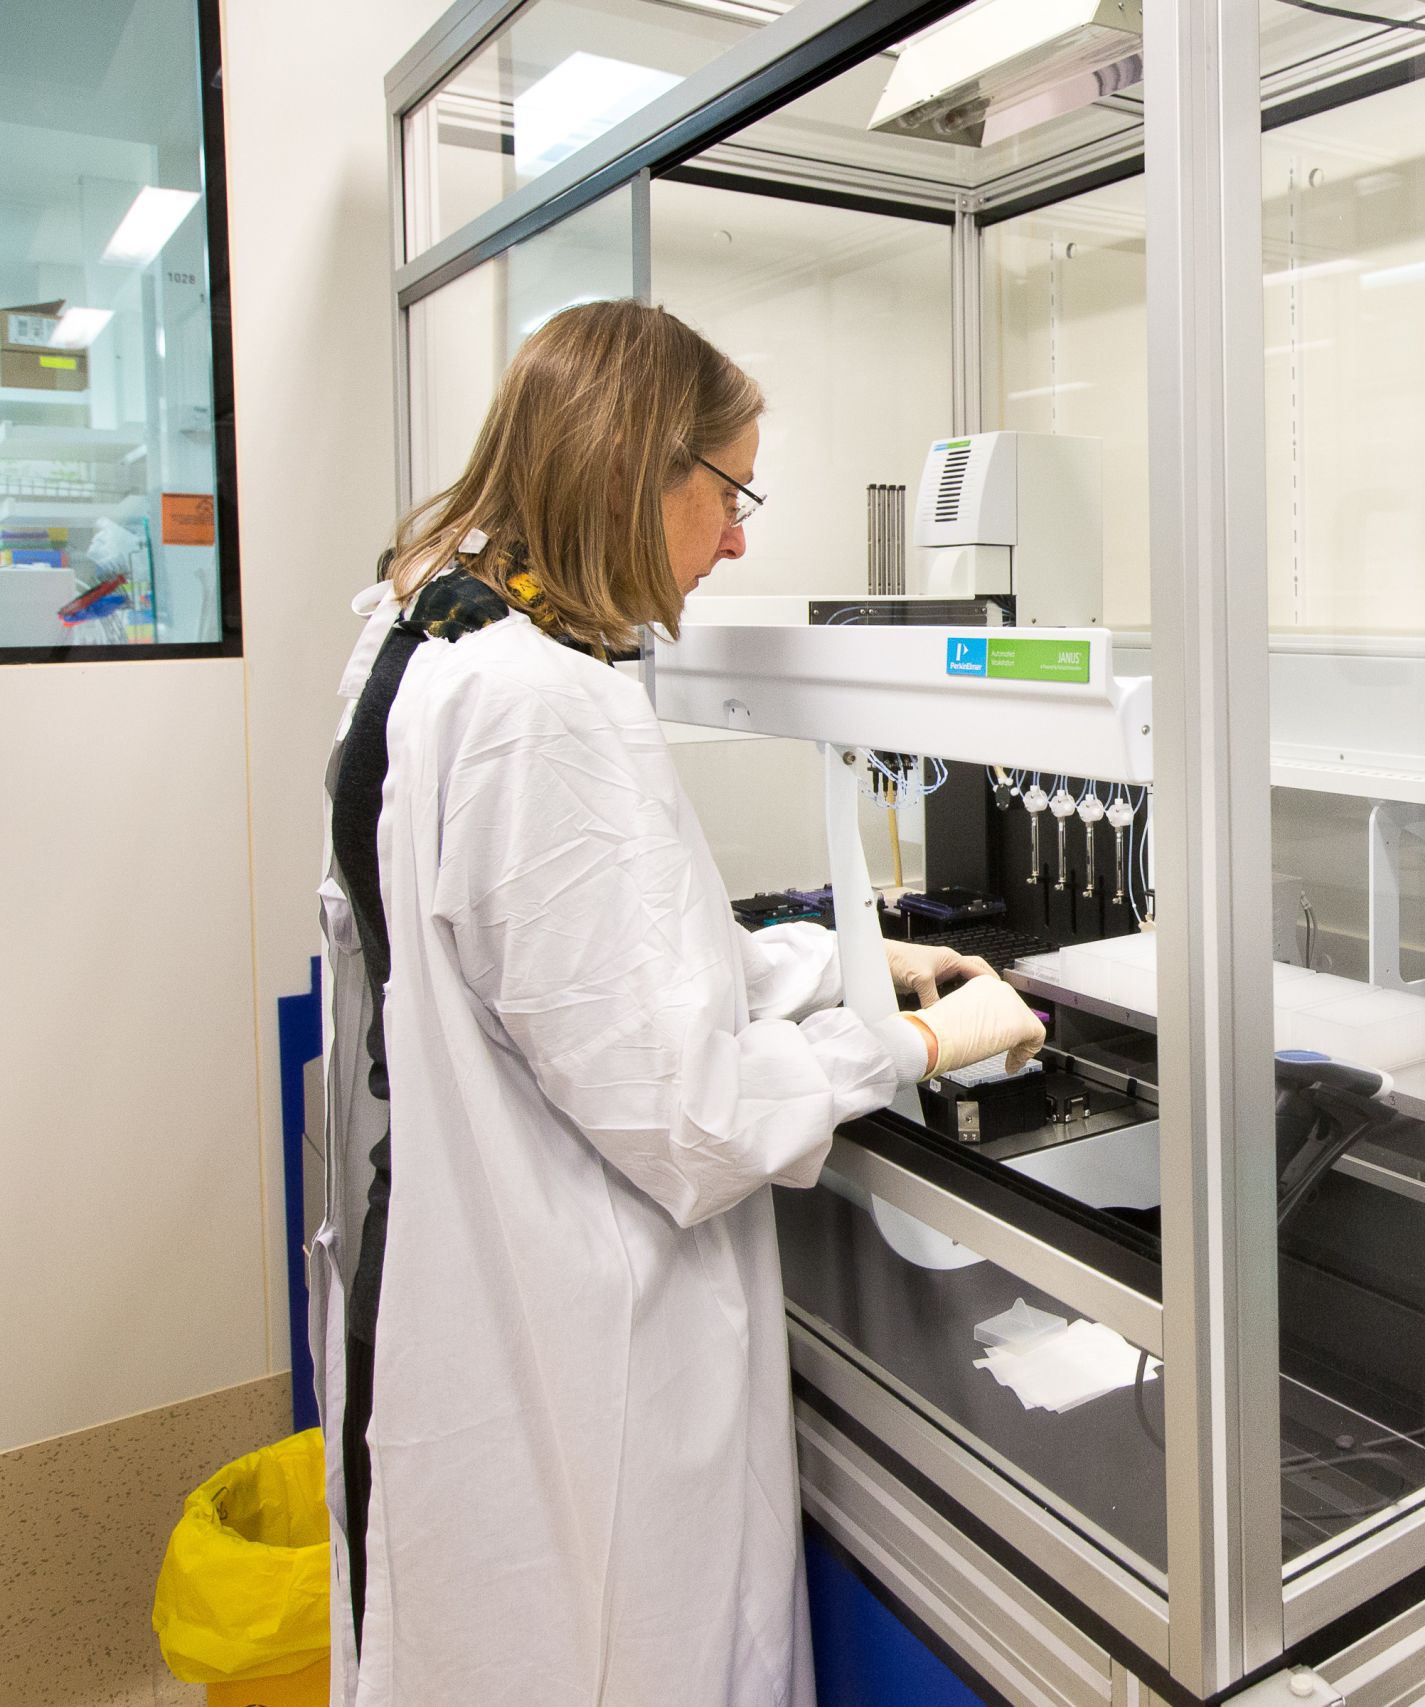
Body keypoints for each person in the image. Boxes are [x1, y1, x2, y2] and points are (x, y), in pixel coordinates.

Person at [312, 299, 1045, 1705]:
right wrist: (913, 1042)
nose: (738, 539)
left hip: (451, 1254)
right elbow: (688, 1116)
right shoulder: (545, 707)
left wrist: (838, 956)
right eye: (733, 491)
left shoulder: (431, 633)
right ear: (641, 465)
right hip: (577, 1323)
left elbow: (570, 968)